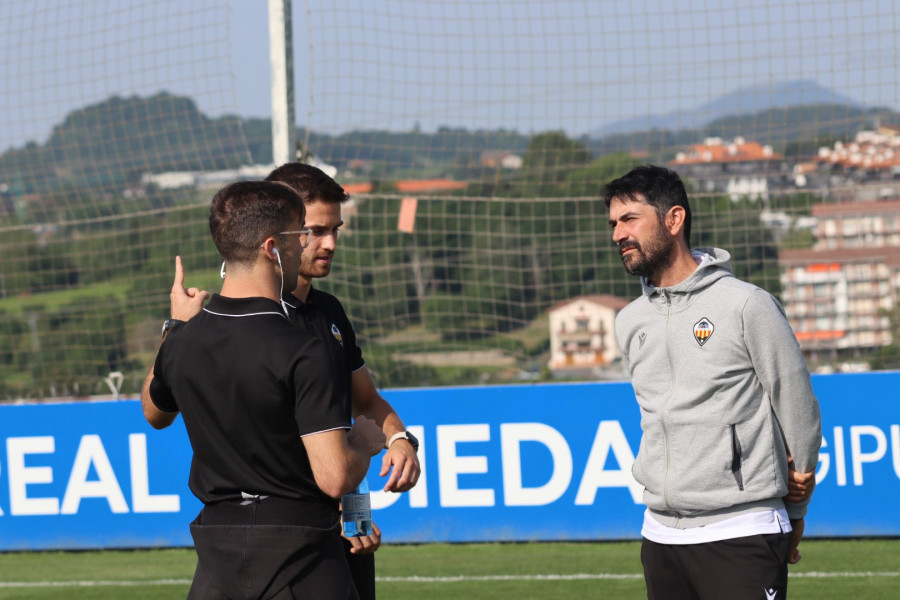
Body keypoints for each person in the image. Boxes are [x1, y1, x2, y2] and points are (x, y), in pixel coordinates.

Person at [170, 164, 422, 600]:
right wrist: (173, 328)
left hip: (332, 527)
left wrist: (399, 439)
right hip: (275, 533)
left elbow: (362, 404)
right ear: (281, 232)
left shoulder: (328, 314)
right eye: (314, 230)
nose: (327, 243)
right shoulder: (240, 320)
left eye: (335, 229)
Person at [604, 165, 822, 600]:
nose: (617, 234)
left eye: (630, 219)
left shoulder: (747, 305)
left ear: (674, 219)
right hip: (660, 537)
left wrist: (795, 512)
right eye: (613, 224)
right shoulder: (629, 321)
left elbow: (798, 411)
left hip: (742, 531)